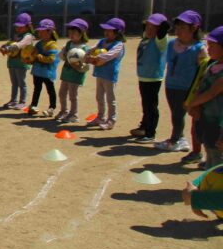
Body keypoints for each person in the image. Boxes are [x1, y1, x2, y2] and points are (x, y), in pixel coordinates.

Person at [155, 10, 207, 153]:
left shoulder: (199, 48)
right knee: (175, 114)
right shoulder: (172, 44)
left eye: (183, 28)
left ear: (194, 28)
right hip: (171, 85)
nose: (178, 31)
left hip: (188, 88)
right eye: (177, 27)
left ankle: (174, 140)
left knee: (181, 114)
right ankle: (180, 138)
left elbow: (204, 71)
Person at [185, 25, 223, 169]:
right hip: (207, 117)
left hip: (219, 122)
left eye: (213, 45)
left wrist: (192, 104)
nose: (208, 49)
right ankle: (209, 181)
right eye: (208, 45)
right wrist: (196, 107)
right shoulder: (211, 66)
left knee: (218, 155)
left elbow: (212, 92)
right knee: (210, 149)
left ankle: (215, 188)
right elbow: (200, 88)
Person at [131, 13, 170, 143]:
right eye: (147, 26)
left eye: (153, 28)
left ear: (160, 30)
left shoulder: (160, 41)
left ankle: (150, 133)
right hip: (143, 77)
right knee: (145, 104)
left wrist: (161, 28)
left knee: (151, 106)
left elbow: (163, 34)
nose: (149, 29)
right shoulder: (145, 38)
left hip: (153, 78)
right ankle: (144, 126)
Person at [86, 17, 126, 130]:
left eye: (110, 30)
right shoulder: (102, 41)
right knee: (99, 97)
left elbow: (109, 55)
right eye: (106, 30)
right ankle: (100, 117)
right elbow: (93, 48)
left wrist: (95, 57)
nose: (106, 32)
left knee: (110, 98)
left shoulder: (119, 45)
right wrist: (87, 53)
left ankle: (111, 120)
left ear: (117, 32)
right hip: (100, 73)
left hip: (110, 74)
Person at [55, 18, 90, 123]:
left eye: (74, 32)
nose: (71, 35)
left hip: (75, 75)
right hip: (66, 73)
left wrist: (79, 66)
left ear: (82, 33)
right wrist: (63, 53)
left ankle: (74, 114)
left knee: (72, 95)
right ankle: (63, 111)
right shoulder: (69, 44)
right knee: (62, 93)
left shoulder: (84, 48)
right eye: (70, 32)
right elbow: (61, 57)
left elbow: (86, 65)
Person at [0, 12, 34, 110]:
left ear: (27, 26)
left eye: (21, 27)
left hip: (22, 63)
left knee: (21, 82)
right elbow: (10, 43)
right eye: (17, 26)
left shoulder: (28, 36)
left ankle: (22, 102)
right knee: (14, 82)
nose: (18, 28)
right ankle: (13, 100)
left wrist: (8, 48)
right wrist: (3, 47)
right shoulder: (16, 35)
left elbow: (20, 45)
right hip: (12, 62)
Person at [28, 18, 59, 117]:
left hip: (47, 72)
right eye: (39, 31)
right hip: (37, 71)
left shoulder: (52, 45)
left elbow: (51, 59)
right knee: (37, 88)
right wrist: (30, 58)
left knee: (50, 90)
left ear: (50, 31)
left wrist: (39, 56)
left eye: (42, 31)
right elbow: (33, 55)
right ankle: (33, 105)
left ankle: (52, 108)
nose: (40, 33)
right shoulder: (39, 43)